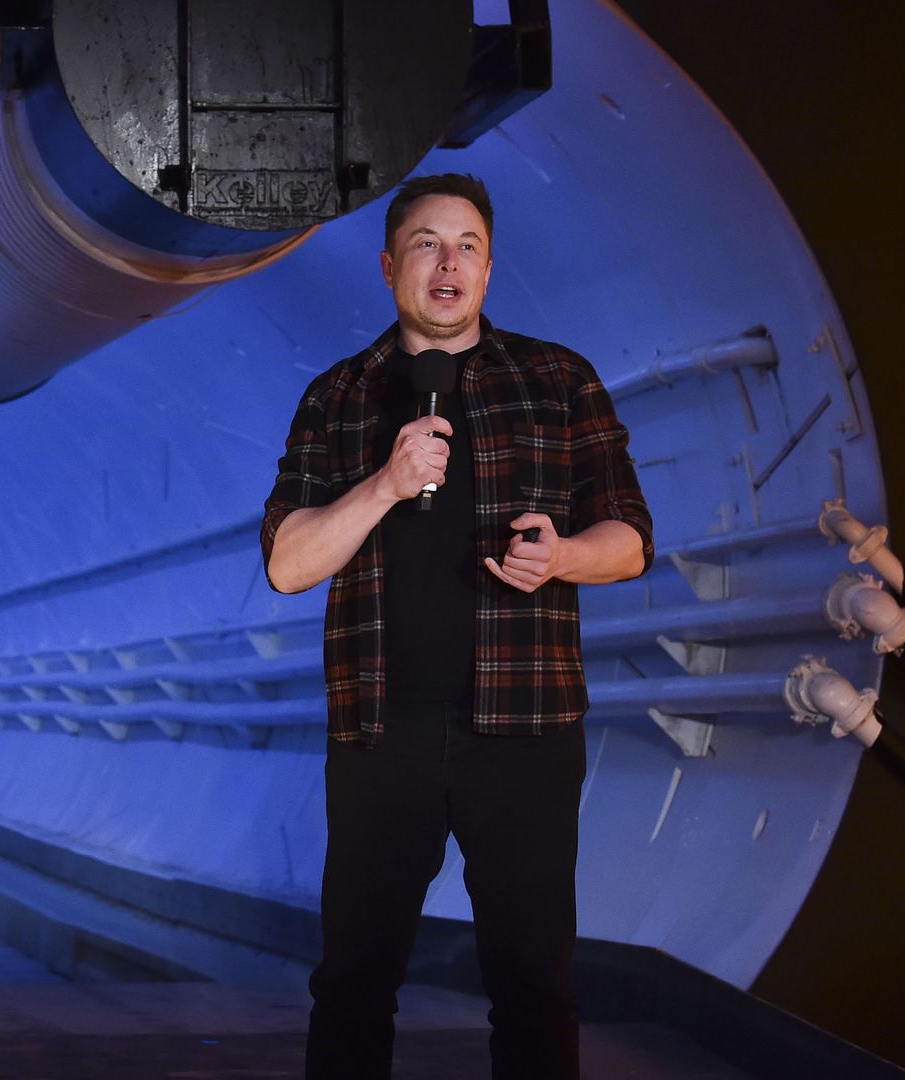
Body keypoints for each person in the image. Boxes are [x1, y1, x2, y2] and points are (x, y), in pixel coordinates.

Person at [260, 173, 654, 1080]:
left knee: (535, 985)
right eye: (429, 244)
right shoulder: (339, 397)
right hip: (380, 734)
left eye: (468, 245)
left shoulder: (558, 381)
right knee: (355, 984)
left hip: (524, 733)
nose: (450, 262)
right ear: (391, 265)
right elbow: (288, 562)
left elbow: (629, 539)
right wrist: (385, 485)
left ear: (489, 268)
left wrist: (561, 557)